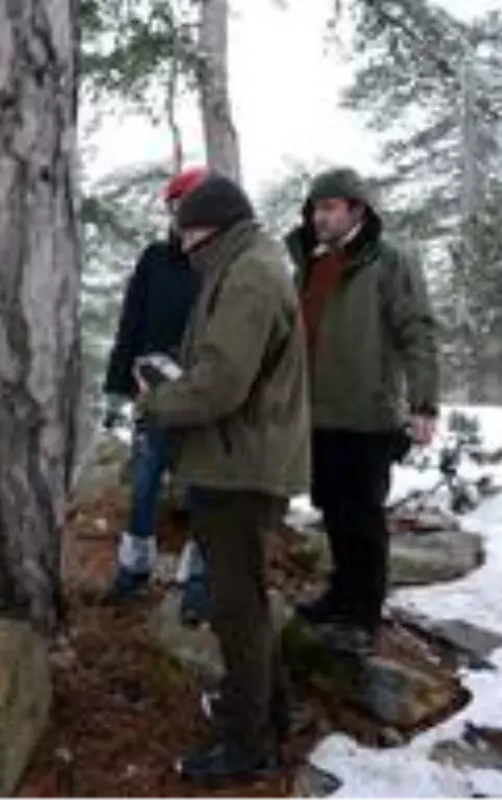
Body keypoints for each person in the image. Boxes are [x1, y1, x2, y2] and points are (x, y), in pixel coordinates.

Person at [136, 172, 310, 785]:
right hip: (238, 457)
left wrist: (158, 402)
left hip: (240, 466)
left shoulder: (250, 276)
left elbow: (221, 383)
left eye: (187, 237)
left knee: (238, 610)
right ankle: (271, 715)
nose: (183, 249)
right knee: (246, 603)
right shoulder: (245, 266)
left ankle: (246, 745)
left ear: (211, 230)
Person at [285, 167, 440, 654]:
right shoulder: (310, 264)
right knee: (333, 509)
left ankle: (363, 614)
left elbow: (417, 331)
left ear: (357, 210)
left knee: (363, 518)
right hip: (316, 415)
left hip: (369, 415)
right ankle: (341, 595)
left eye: (330, 207)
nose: (319, 217)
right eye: (315, 208)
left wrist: (423, 403)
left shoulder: (389, 262)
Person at [101, 167, 210, 621]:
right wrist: (116, 386)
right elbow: (132, 320)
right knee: (145, 481)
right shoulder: (155, 259)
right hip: (153, 391)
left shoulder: (221, 265)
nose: (180, 216)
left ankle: (199, 580)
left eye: (189, 206)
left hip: (204, 394)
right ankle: (134, 568)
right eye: (174, 206)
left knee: (204, 486)